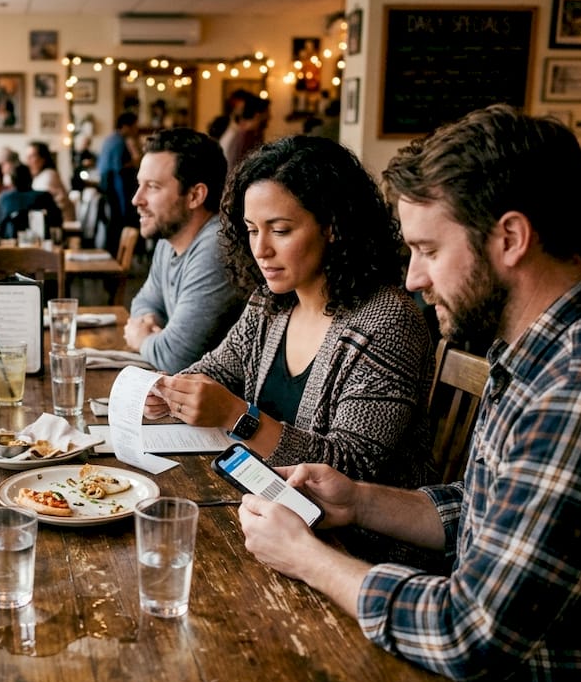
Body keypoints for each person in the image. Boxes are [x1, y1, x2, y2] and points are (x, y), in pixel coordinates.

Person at [238, 105, 581, 682]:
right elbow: (487, 511)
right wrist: (357, 501)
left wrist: (309, 558)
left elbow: (469, 632)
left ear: (509, 238)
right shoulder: (540, 348)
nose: (413, 278)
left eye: (429, 250)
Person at [151, 136, 436, 563]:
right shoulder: (271, 304)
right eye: (251, 231)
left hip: (358, 552)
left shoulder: (386, 321)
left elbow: (348, 475)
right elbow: (215, 370)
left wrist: (236, 417)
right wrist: (168, 392)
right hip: (269, 518)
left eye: (280, 230)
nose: (261, 249)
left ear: (333, 225)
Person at [125, 128, 242, 373]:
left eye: (153, 187)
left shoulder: (217, 245)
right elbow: (144, 301)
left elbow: (176, 356)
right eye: (139, 185)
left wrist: (141, 338)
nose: (137, 199)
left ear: (195, 195)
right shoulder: (168, 241)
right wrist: (149, 323)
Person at [0, 164, 62, 240]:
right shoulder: (44, 196)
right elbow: (57, 221)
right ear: (31, 178)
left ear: (12, 180)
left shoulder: (4, 199)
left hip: (11, 246)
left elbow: (0, 223)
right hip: (40, 247)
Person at [24, 140, 75, 222]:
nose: (27, 161)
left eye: (32, 156)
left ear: (43, 159)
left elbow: (39, 204)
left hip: (63, 225)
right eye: (27, 157)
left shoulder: (49, 176)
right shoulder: (39, 177)